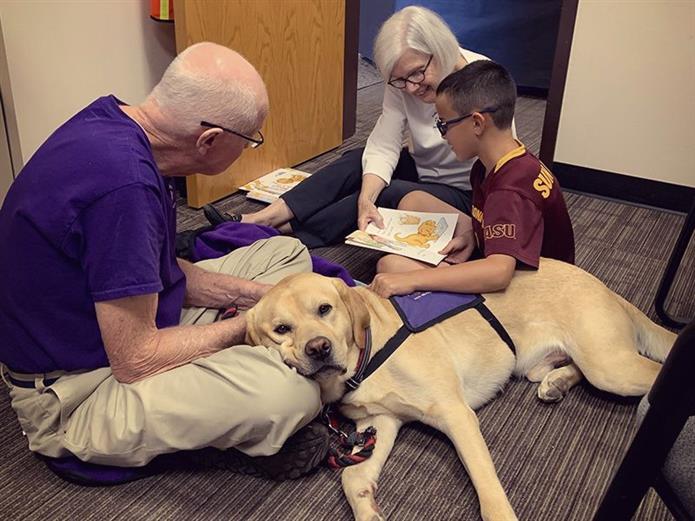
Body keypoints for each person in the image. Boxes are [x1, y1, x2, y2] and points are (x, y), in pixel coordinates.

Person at [0, 42, 327, 480]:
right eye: (251, 141)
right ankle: (227, 412)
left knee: (286, 254)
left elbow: (158, 272)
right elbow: (134, 359)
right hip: (76, 391)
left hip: (128, 327)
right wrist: (251, 323)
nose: (252, 148)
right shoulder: (125, 188)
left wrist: (264, 297)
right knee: (290, 397)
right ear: (209, 141)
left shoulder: (114, 121)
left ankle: (237, 371)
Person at [207, 6, 505, 249]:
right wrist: (366, 197)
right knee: (357, 162)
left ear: (439, 51)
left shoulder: (481, 80)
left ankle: (287, 232)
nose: (412, 87)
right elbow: (384, 142)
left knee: (390, 193)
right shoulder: (402, 80)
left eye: (418, 74)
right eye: (401, 80)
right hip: (423, 167)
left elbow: (503, 160)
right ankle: (266, 217)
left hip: (465, 191)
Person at [369, 60, 575, 299]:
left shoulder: (510, 190)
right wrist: (469, 236)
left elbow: (499, 272)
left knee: (390, 267)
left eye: (444, 124)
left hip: (531, 291)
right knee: (414, 200)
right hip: (503, 254)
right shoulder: (497, 162)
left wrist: (411, 281)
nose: (442, 135)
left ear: (477, 123)